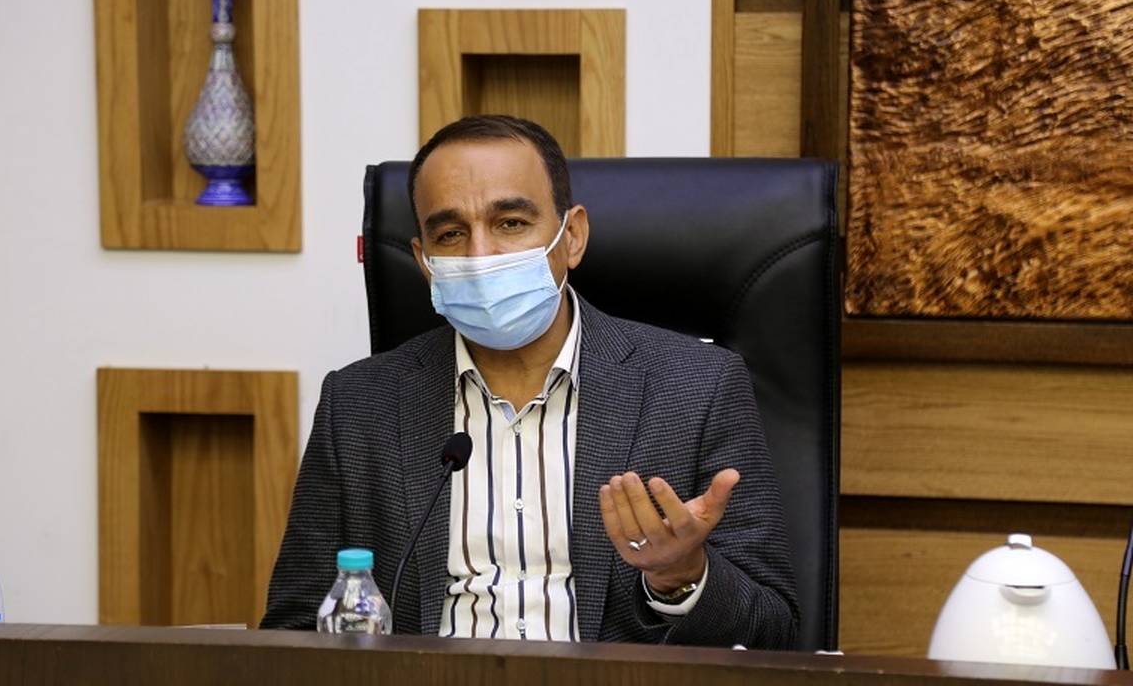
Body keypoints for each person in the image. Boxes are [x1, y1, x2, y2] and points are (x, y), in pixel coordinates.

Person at [261, 115, 798, 647]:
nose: (480, 255)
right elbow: (296, 628)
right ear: (424, 262)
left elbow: (774, 630)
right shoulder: (358, 404)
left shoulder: (697, 387)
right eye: (451, 234)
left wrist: (681, 575)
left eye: (511, 223)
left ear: (573, 237)